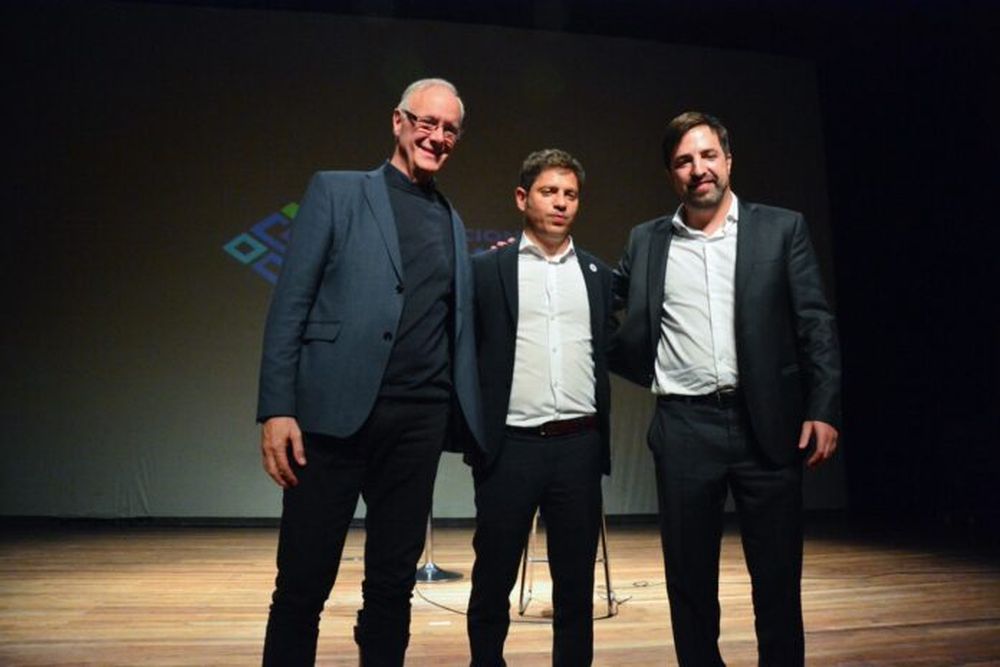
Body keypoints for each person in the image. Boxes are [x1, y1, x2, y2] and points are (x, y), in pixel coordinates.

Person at [255, 77, 485, 666]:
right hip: (331, 418)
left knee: (391, 585)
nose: (437, 137)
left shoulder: (451, 220)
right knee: (302, 583)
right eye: (427, 122)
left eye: (449, 129)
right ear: (398, 121)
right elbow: (291, 303)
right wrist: (277, 407)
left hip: (416, 424)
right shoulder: (336, 191)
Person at [609, 111, 841, 666]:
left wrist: (824, 407)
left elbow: (815, 323)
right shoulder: (647, 240)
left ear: (728, 161)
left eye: (708, 155)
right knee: (689, 581)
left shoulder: (781, 229)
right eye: (684, 161)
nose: (699, 169)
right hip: (684, 427)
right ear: (672, 173)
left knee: (778, 578)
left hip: (768, 425)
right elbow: (602, 301)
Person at [466, 149, 615, 667]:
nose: (560, 203)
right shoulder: (487, 270)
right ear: (522, 198)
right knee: (493, 578)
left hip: (579, 446)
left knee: (575, 585)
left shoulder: (598, 274)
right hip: (511, 448)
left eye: (570, 194)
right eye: (549, 191)